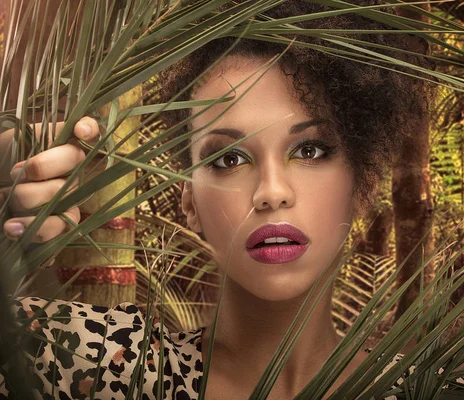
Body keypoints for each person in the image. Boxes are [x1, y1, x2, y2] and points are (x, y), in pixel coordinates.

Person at [0, 2, 432, 399]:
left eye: (310, 151)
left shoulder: (433, 390)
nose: (272, 192)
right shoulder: (92, 362)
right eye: (229, 158)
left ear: (361, 184)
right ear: (189, 200)